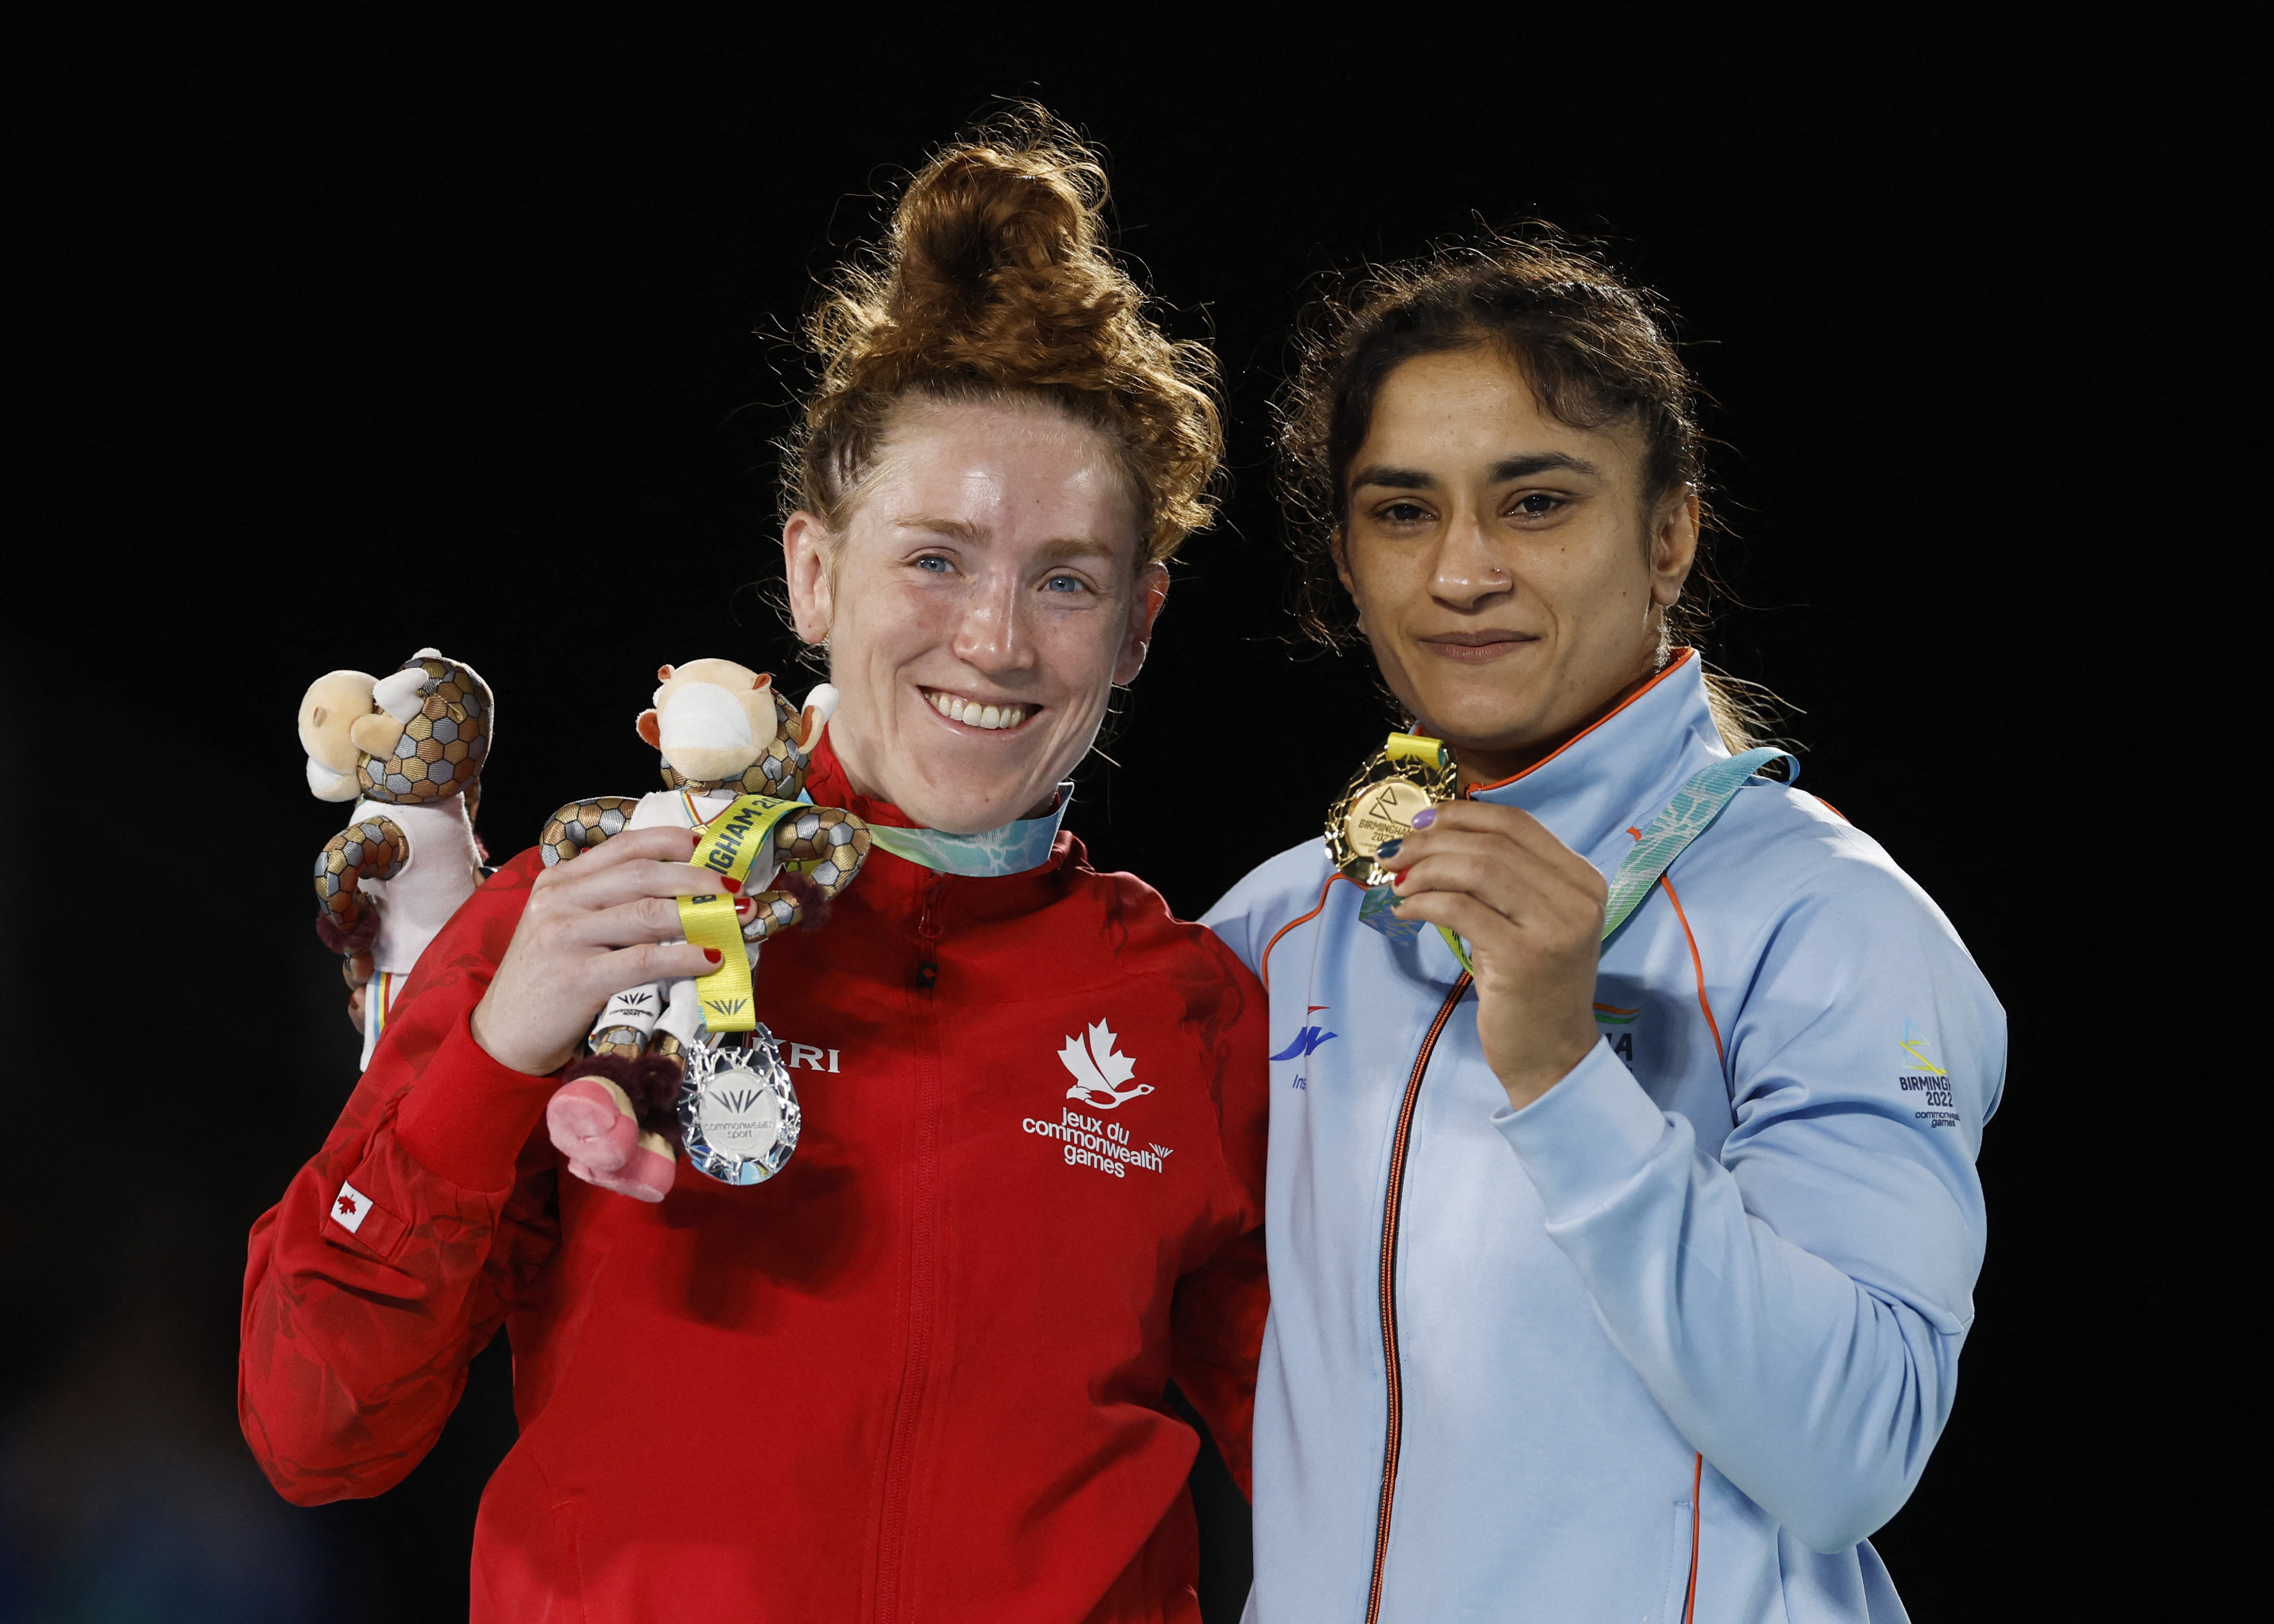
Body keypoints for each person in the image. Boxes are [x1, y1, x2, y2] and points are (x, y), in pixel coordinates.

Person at [240, 113, 1269, 1623]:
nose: (992, 639)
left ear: (1138, 629)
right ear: (810, 571)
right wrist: (494, 1055)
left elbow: (1375, 1492)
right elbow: (313, 1428)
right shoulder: (592, 909)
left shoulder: (1190, 1017)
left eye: (1065, 581)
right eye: (934, 558)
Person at [1204, 239, 2004, 1623]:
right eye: (1403, 514)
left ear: (1669, 537)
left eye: (1535, 503)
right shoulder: (1280, 927)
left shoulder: (1834, 925)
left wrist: (1568, 1071)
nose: (1462, 574)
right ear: (1344, 561)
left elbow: (1854, 1450)